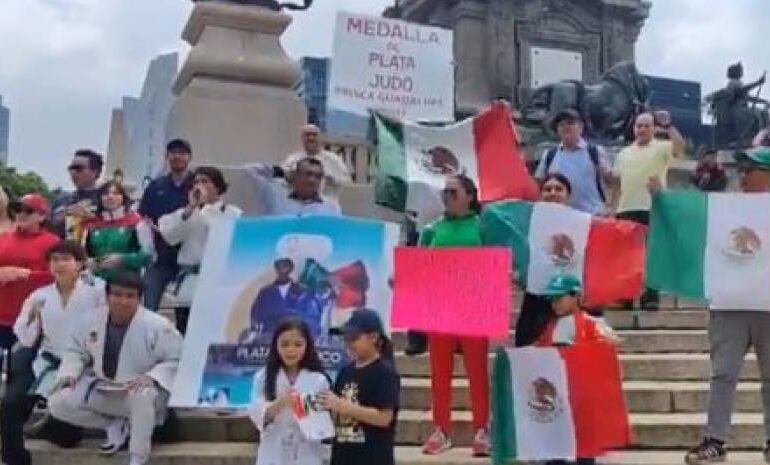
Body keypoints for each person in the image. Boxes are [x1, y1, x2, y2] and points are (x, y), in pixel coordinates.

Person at [684, 146, 770, 465]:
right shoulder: (725, 209)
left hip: (768, 305)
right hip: (730, 305)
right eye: (742, 169)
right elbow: (690, 218)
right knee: (723, 376)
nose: (743, 175)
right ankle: (715, 440)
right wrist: (661, 198)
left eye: (752, 169)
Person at [47, 272, 183, 465]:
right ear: (107, 296)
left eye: (129, 296)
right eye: (117, 295)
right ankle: (113, 425)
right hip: (105, 387)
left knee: (143, 395)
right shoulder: (90, 320)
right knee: (58, 401)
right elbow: (75, 351)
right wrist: (70, 372)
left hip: (139, 393)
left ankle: (138, 457)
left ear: (139, 299)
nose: (122, 301)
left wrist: (152, 377)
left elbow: (176, 359)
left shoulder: (158, 326)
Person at [1, 241, 104, 465]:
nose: (59, 265)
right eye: (54, 260)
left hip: (84, 366)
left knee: (67, 437)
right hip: (46, 363)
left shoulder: (97, 291)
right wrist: (32, 318)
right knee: (10, 406)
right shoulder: (40, 296)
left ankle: (52, 425)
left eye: (66, 259)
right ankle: (14, 459)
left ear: (80, 264)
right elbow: (26, 338)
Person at [419, 174, 490, 456]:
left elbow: (498, 261)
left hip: (475, 307)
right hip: (440, 308)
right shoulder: (431, 229)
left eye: (453, 191)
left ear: (470, 196)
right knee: (440, 371)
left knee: (477, 371)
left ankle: (482, 430)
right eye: (444, 191)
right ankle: (441, 429)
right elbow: (418, 265)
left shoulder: (483, 227)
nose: (446, 195)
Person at [535, 274, 616, 465]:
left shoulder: (592, 324)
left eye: (559, 298)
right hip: (558, 397)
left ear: (576, 296)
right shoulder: (551, 327)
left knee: (585, 446)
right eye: (552, 299)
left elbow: (608, 346)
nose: (555, 304)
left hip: (583, 399)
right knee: (554, 447)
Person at [613, 111, 684, 310]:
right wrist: (612, 207)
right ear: (633, 129)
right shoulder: (623, 153)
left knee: (652, 256)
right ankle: (626, 296)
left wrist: (668, 125)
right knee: (627, 257)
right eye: (639, 126)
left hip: (652, 207)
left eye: (646, 126)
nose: (642, 129)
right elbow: (617, 183)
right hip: (626, 208)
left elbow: (680, 148)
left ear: (654, 128)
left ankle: (650, 296)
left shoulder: (662, 147)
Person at [159, 166, 242, 334]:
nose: (199, 185)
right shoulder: (186, 212)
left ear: (218, 187)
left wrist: (208, 211)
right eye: (196, 182)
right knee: (185, 329)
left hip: (217, 280)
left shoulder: (233, 213)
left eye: (205, 181)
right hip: (190, 279)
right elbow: (170, 236)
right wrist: (191, 209)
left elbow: (227, 240)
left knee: (212, 330)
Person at [318, 309, 400, 465]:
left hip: (372, 457)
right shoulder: (345, 372)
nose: (348, 343)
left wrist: (345, 407)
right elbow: (336, 415)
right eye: (346, 338)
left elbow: (384, 418)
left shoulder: (385, 373)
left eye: (354, 338)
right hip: (343, 455)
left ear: (374, 337)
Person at [249, 317, 333, 465]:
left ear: (307, 346)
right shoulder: (263, 377)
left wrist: (303, 406)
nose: (291, 350)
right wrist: (280, 403)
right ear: (276, 345)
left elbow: (322, 421)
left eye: (298, 344)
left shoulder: (319, 380)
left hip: (306, 451)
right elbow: (256, 414)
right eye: (285, 344)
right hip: (273, 451)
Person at [0, 194, 60, 378]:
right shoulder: (3, 239)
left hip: (32, 318)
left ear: (42, 216)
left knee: (19, 374)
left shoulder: (52, 242)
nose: (22, 214)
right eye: (18, 210)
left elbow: (58, 275)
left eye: (28, 210)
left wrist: (23, 275)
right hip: (2, 315)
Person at [514, 173, 573, 347]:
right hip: (535, 294)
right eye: (547, 189)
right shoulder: (530, 222)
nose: (553, 193)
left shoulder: (582, 223)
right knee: (526, 342)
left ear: (568, 195)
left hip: (566, 296)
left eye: (558, 189)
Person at [138, 139, 195, 312]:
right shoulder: (156, 186)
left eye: (182, 153)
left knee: (186, 311)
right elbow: (144, 216)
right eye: (173, 153)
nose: (177, 156)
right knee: (149, 305)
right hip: (161, 258)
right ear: (167, 157)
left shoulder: (198, 184)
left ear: (190, 157)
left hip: (189, 259)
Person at [534, 109, 613, 215]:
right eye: (562, 125)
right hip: (560, 216)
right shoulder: (549, 155)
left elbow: (611, 181)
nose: (566, 127)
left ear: (580, 127)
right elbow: (539, 184)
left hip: (593, 215)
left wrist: (610, 206)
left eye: (571, 123)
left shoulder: (595, 152)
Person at [82, 181, 153, 281]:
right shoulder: (90, 224)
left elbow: (148, 256)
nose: (110, 197)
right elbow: (81, 254)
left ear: (123, 197)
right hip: (96, 283)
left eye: (116, 193)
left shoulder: (137, 222)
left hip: (126, 284)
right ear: (100, 198)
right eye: (106, 193)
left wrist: (122, 259)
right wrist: (89, 262)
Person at [245, 157, 342, 217]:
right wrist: (282, 171)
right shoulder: (276, 198)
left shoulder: (331, 207)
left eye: (318, 176)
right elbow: (250, 170)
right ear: (296, 175)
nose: (312, 180)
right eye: (308, 174)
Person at [249, 258, 315, 341]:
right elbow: (255, 314)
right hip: (269, 339)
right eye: (279, 267)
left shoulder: (303, 292)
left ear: (291, 269)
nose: (282, 270)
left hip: (296, 338)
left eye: (285, 266)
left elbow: (311, 316)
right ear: (276, 269)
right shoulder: (265, 292)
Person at [282, 124, 351, 201]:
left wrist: (330, 178)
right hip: (297, 205)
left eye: (314, 135)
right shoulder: (292, 159)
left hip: (326, 206)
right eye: (307, 135)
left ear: (321, 138)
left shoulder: (334, 159)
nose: (311, 138)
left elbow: (347, 182)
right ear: (302, 138)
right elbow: (282, 179)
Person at [51, 150, 104, 240]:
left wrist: (91, 218)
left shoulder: (106, 199)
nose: (73, 172)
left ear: (95, 172)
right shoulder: (62, 199)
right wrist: (61, 217)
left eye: (78, 168)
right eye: (71, 168)